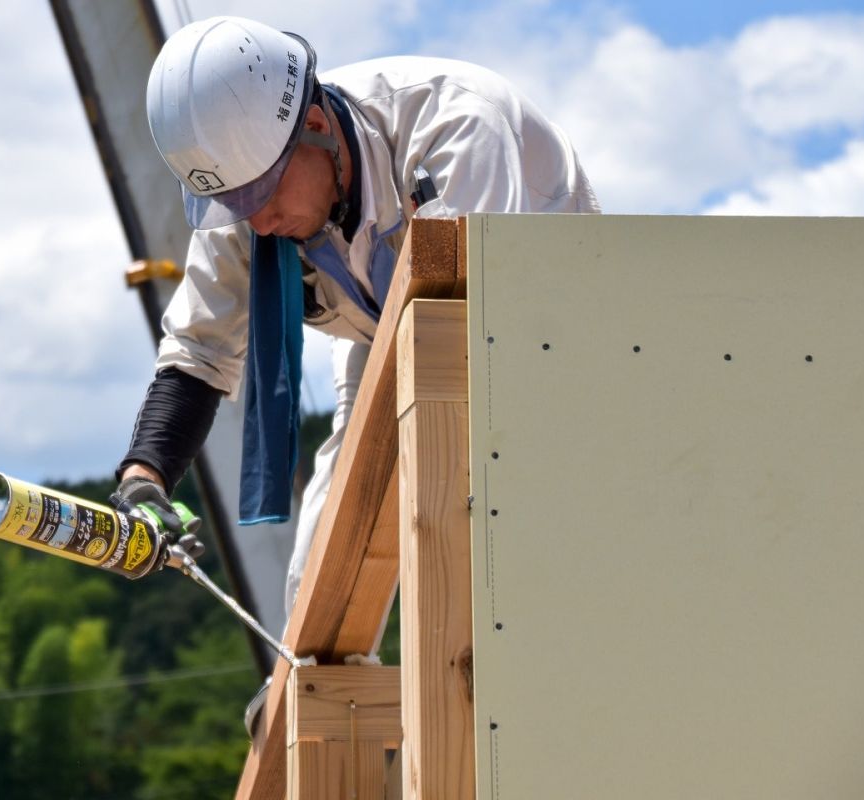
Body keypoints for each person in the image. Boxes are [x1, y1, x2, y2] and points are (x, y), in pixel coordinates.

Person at [112, 15, 599, 646]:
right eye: (236, 204)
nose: (256, 224)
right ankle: (305, 703)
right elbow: (198, 353)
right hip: (387, 336)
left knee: (505, 528)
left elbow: (466, 334)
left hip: (540, 322)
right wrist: (143, 478)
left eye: (263, 194)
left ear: (315, 126)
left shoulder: (451, 121)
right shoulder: (246, 203)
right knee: (321, 568)